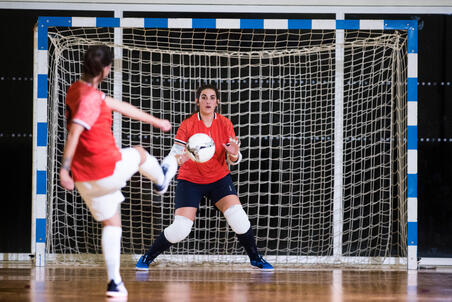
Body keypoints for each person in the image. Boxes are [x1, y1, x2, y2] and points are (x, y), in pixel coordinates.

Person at [59, 45, 178, 298]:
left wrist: (155, 121)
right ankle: (161, 180)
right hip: (105, 169)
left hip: (85, 179)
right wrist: (63, 169)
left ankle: (114, 284)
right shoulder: (91, 99)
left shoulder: (75, 90)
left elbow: (120, 106)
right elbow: (75, 133)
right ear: (106, 69)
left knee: (112, 223)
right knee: (140, 153)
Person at [136, 83, 273, 271]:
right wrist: (178, 159)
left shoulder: (225, 124)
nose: (208, 101)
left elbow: (235, 158)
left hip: (218, 178)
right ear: (197, 101)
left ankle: (256, 258)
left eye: (212, 97)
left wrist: (234, 153)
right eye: (204, 97)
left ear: (217, 102)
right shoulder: (188, 124)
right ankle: (147, 257)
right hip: (190, 179)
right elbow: (174, 153)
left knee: (238, 218)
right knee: (181, 229)